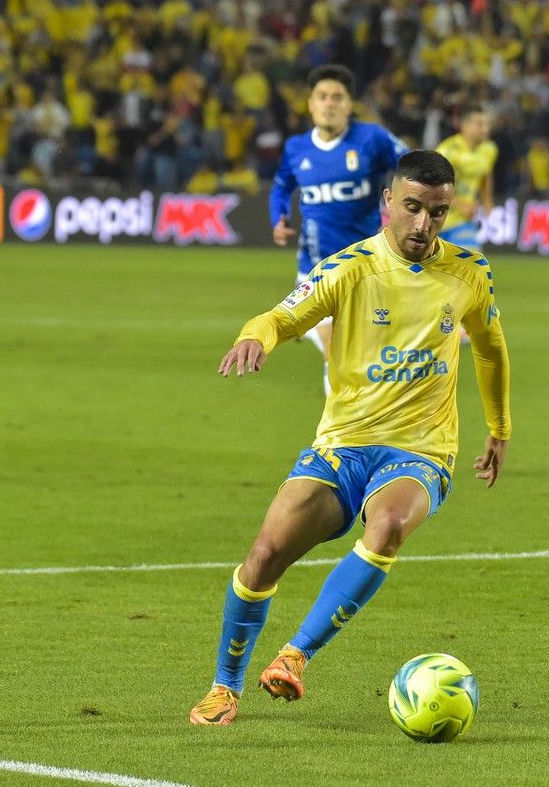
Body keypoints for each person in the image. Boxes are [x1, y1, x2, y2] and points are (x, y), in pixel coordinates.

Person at [190, 150, 512, 727]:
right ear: (387, 203)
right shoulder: (349, 268)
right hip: (343, 444)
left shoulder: (470, 272)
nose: (422, 225)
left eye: (437, 213)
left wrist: (500, 427)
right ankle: (224, 686)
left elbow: (490, 348)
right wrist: (254, 337)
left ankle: (295, 656)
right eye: (411, 207)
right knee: (263, 558)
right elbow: (282, 317)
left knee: (387, 525)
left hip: (421, 448)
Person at [270, 64, 410, 394]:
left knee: (365, 361)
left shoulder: (371, 138)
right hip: (315, 271)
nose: (329, 103)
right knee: (336, 352)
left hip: (368, 270)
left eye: (337, 97)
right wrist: (278, 217)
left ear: (349, 105)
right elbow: (280, 187)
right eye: (322, 96)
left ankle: (361, 430)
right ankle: (336, 437)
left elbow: (410, 164)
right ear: (311, 104)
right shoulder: (296, 148)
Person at [434, 106, 498, 252]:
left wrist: (487, 198)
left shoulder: (489, 150)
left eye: (487, 124)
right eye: (480, 124)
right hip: (435, 220)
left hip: (462, 222)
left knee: (470, 263)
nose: (485, 129)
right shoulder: (447, 151)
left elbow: (485, 173)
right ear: (465, 126)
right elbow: (432, 188)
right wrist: (460, 204)